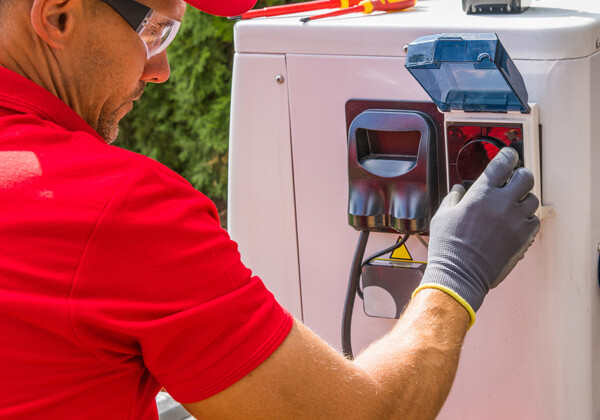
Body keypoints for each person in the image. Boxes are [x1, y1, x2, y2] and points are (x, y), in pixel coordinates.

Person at [0, 0, 540, 419]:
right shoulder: (114, 208)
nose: (160, 69)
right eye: (153, 32)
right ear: (58, 16)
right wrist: (455, 275)